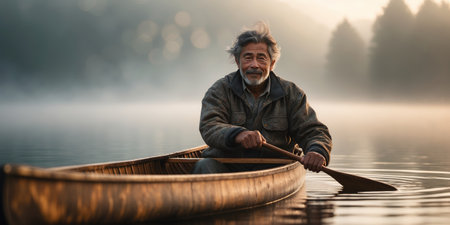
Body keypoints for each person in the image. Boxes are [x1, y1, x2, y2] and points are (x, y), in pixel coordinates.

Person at [192, 22, 332, 174]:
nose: (254, 65)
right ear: (238, 62)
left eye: (261, 58)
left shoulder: (292, 93)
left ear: (272, 63)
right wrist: (238, 134)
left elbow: (314, 131)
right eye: (248, 58)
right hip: (227, 166)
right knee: (203, 166)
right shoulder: (219, 90)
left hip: (275, 169)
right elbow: (209, 126)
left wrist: (317, 151)